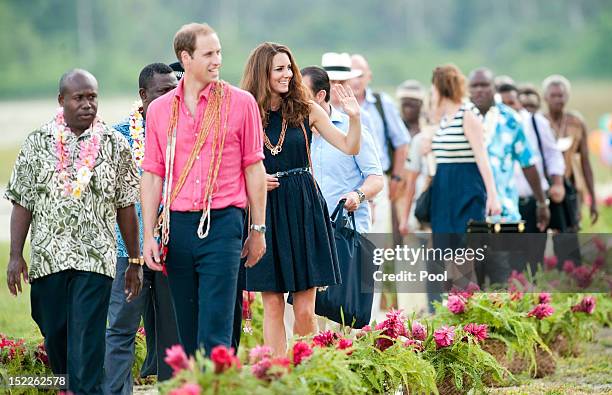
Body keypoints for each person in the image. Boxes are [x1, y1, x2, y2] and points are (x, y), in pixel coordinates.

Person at [5, 69, 140, 394]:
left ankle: (86, 388)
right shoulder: (38, 142)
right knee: (56, 332)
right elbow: (22, 201)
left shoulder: (114, 144)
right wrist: (14, 255)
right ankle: (73, 385)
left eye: (92, 97)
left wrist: (134, 261)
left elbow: (126, 206)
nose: (87, 104)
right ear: (61, 100)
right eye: (79, 97)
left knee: (88, 338)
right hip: (48, 262)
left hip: (96, 262)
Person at [140, 23, 267, 357]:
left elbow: (254, 168)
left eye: (219, 52)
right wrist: (149, 236)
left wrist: (257, 230)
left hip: (224, 222)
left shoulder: (242, 103)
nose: (217, 60)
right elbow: (152, 174)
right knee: (188, 328)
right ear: (186, 58)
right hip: (177, 227)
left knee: (216, 330)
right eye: (209, 54)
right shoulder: (159, 109)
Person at [241, 42, 361, 356]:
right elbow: (227, 160)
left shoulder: (305, 107)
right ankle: (278, 376)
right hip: (266, 210)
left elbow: (349, 146)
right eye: (278, 69)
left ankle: (309, 372)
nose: (287, 75)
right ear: (261, 72)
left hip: (304, 204)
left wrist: (355, 118)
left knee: (306, 309)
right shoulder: (246, 111)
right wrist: (249, 179)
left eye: (289, 68)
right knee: (273, 306)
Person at [103, 63, 180, 394]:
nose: (172, 97)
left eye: (175, 90)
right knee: (121, 327)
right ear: (143, 95)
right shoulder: (119, 135)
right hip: (128, 250)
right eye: (164, 91)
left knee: (172, 333)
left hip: (173, 246)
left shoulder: (185, 130)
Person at [427, 65, 501, 306]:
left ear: (440, 86)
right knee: (442, 256)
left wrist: (492, 195)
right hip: (443, 191)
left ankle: (468, 312)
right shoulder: (443, 118)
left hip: (467, 190)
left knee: (463, 257)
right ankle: (445, 311)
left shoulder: (467, 114)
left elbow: (482, 157)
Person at [468, 68, 549, 284]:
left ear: (493, 87)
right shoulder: (462, 116)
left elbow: (527, 163)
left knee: (501, 279)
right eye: (474, 85)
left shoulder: (510, 119)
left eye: (484, 85)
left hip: (502, 214)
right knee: (469, 283)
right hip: (468, 213)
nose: (479, 90)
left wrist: (542, 202)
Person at [302, 65, 383, 232]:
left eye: (302, 94)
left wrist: (357, 196)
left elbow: (376, 179)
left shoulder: (351, 129)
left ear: (320, 96)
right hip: (309, 231)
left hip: (346, 230)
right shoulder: (295, 134)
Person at [498, 83, 566, 272]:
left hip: (532, 203)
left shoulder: (535, 123)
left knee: (533, 262)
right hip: (506, 207)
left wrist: (556, 186)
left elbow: (553, 155)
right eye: (503, 104)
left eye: (512, 102)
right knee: (508, 263)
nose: (508, 108)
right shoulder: (494, 128)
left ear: (518, 103)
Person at [350, 54, 410, 237]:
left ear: (369, 76)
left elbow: (401, 141)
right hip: (348, 181)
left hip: (377, 178)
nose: (355, 81)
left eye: (360, 75)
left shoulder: (382, 104)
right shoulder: (335, 106)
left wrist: (397, 178)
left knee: (377, 239)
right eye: (351, 75)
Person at [543, 74, 598, 228]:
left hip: (572, 186)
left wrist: (592, 198)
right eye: (553, 95)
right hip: (546, 187)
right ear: (545, 97)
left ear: (567, 97)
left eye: (561, 95)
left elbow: (585, 161)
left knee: (569, 235)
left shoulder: (576, 122)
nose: (557, 99)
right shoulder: (540, 122)